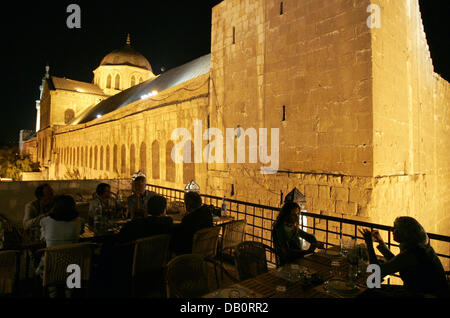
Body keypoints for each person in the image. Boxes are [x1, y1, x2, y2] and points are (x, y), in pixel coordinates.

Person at [360, 216, 448, 297]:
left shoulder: (412, 253)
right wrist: (381, 243)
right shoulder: (419, 247)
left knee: (368, 290)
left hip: (421, 295)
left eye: (395, 228)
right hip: (422, 291)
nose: (392, 230)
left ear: (404, 233)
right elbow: (397, 263)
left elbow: (376, 271)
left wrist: (369, 244)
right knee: (373, 288)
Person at [36, 195, 83, 298]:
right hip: (73, 266)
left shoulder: (45, 221)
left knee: (41, 262)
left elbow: (43, 238)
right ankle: (69, 293)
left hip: (51, 266)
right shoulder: (78, 221)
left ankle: (52, 292)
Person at [272, 201, 321, 266]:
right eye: (294, 214)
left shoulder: (292, 227)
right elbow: (286, 252)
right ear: (287, 214)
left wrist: (315, 242)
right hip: (288, 262)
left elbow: (308, 236)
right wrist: (306, 252)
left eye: (298, 214)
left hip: (297, 259)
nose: (297, 217)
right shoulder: (280, 228)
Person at [171, 191, 213, 255]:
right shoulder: (207, 213)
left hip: (190, 249)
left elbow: (181, 233)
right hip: (206, 246)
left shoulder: (189, 219)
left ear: (188, 205)